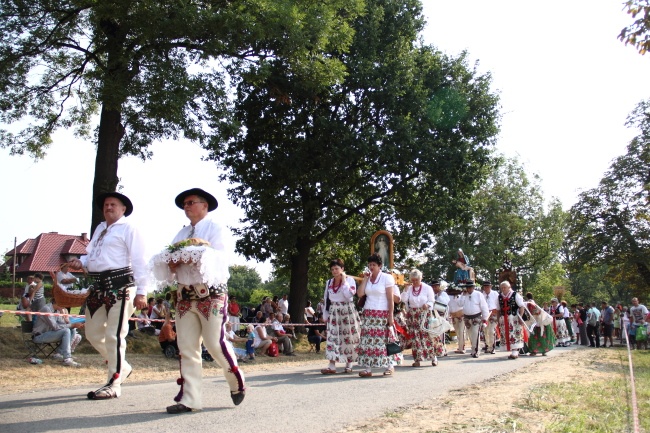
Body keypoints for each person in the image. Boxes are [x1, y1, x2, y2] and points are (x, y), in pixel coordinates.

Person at [156, 187, 246, 413]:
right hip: (184, 296)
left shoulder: (215, 228)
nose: (186, 206)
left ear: (204, 205)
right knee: (186, 346)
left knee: (214, 343)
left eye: (190, 202)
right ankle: (190, 399)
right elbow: (172, 259)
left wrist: (197, 251)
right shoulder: (181, 233)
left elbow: (221, 257)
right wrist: (173, 264)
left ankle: (236, 379)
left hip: (211, 294)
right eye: (184, 204)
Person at [68, 192, 149, 400]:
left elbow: (140, 261)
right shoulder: (100, 228)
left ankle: (114, 383)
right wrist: (81, 263)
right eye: (106, 204)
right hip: (98, 288)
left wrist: (142, 291)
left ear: (123, 209)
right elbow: (91, 255)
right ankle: (123, 367)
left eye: (113, 204)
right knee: (93, 334)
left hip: (122, 287)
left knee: (114, 335)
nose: (108, 207)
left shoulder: (129, 228)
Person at [356, 253, 397, 377]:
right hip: (369, 312)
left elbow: (390, 299)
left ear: (380, 266)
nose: (371, 267)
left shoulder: (386, 278)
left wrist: (390, 316)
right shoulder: (368, 279)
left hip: (382, 312)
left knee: (384, 341)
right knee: (368, 341)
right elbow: (360, 294)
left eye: (374, 265)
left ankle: (389, 365)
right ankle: (368, 368)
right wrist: (365, 279)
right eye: (369, 265)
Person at [321, 258, 360, 375]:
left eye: (337, 268)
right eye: (332, 269)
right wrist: (325, 314)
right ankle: (332, 365)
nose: (334, 271)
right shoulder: (329, 282)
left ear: (342, 269)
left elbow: (348, 295)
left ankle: (349, 364)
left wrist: (344, 282)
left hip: (347, 310)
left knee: (348, 337)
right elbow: (326, 298)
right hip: (334, 311)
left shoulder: (350, 281)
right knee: (332, 337)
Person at [401, 269, 443, 366]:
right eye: (413, 280)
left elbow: (431, 300)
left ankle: (434, 358)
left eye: (416, 280)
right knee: (415, 338)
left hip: (425, 314)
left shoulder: (427, 288)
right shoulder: (410, 288)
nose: (415, 282)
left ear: (421, 278)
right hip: (413, 315)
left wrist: (427, 305)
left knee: (428, 336)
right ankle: (418, 359)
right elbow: (404, 299)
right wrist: (406, 290)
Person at [32, 296, 84, 367]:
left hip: (49, 334)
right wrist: (72, 325)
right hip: (39, 336)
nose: (65, 306)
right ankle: (67, 358)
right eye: (63, 304)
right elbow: (55, 327)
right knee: (66, 330)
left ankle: (59, 354)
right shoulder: (46, 309)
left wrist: (66, 319)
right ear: (58, 302)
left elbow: (62, 324)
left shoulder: (57, 310)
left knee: (72, 330)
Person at [458, 282, 489, 358]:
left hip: (476, 317)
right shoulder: (464, 295)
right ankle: (473, 349)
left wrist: (485, 318)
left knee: (475, 333)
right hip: (467, 317)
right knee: (470, 335)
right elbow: (460, 304)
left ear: (473, 287)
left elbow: (484, 306)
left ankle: (476, 351)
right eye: (467, 287)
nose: (469, 289)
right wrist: (462, 295)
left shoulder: (478, 294)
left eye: (470, 287)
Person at [498, 281, 526, 359]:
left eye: (505, 287)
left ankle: (515, 352)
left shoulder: (515, 295)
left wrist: (520, 317)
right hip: (504, 319)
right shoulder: (500, 296)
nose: (503, 289)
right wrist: (498, 320)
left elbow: (521, 306)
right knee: (507, 334)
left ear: (509, 287)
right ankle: (513, 351)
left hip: (514, 318)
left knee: (515, 334)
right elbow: (498, 309)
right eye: (502, 288)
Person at [432, 280, 450, 355]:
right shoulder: (433, 295)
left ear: (439, 287)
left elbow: (444, 303)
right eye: (433, 287)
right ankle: (437, 350)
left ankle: (443, 350)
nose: (434, 288)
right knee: (435, 334)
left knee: (441, 334)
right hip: (434, 317)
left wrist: (439, 296)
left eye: (436, 286)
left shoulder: (444, 294)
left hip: (442, 316)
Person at [481, 282, 499, 354]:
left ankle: (492, 347)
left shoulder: (495, 294)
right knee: (485, 331)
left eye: (488, 286)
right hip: (485, 314)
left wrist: (498, 313)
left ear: (490, 286)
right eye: (485, 287)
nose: (486, 288)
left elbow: (498, 304)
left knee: (492, 331)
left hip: (493, 314)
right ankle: (488, 346)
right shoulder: (482, 295)